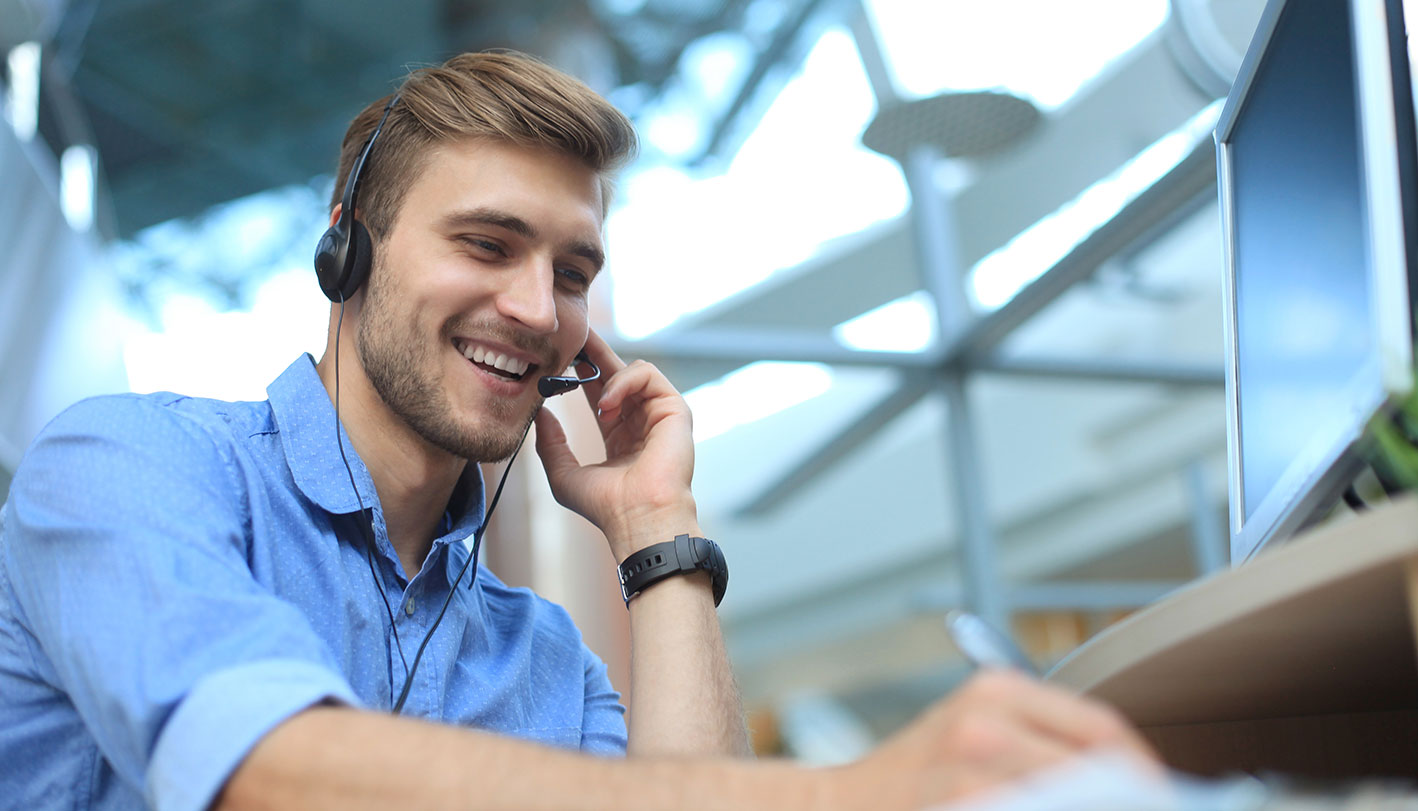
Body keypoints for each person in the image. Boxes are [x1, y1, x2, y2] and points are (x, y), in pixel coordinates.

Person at [0, 50, 1153, 811]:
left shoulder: (539, 657)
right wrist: (853, 791)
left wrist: (660, 533)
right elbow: (268, 771)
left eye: (572, 270)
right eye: (487, 245)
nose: (538, 309)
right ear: (345, 247)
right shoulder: (126, 470)